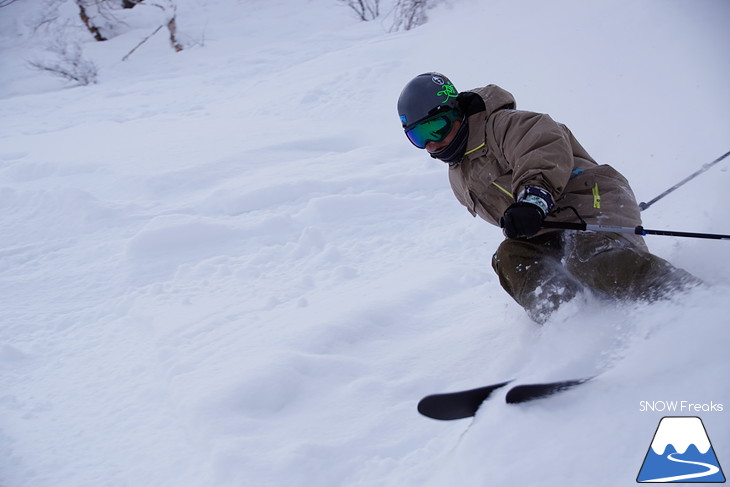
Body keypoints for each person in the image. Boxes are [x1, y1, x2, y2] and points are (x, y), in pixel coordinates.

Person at [397, 72, 699, 323]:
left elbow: (542, 150)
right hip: (551, 228)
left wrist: (533, 201)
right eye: (418, 137)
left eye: (435, 128)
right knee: (510, 258)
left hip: (594, 199)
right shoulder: (458, 175)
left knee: (585, 256)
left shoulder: (505, 125)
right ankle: (571, 324)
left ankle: (687, 298)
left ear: (456, 114)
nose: (431, 144)